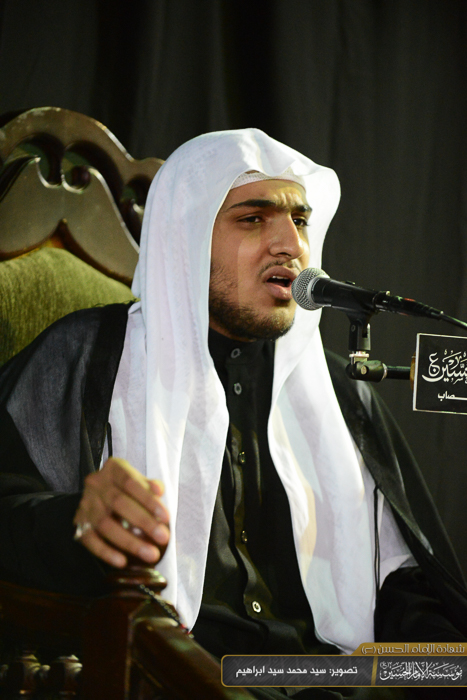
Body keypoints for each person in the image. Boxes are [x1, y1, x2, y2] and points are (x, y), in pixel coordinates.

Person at [1, 129, 466, 699]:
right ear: (186, 238)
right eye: (253, 219)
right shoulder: (89, 355)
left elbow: (402, 583)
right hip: (179, 674)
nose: (290, 245)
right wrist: (77, 520)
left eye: (300, 221)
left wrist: (445, 666)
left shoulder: (337, 393)